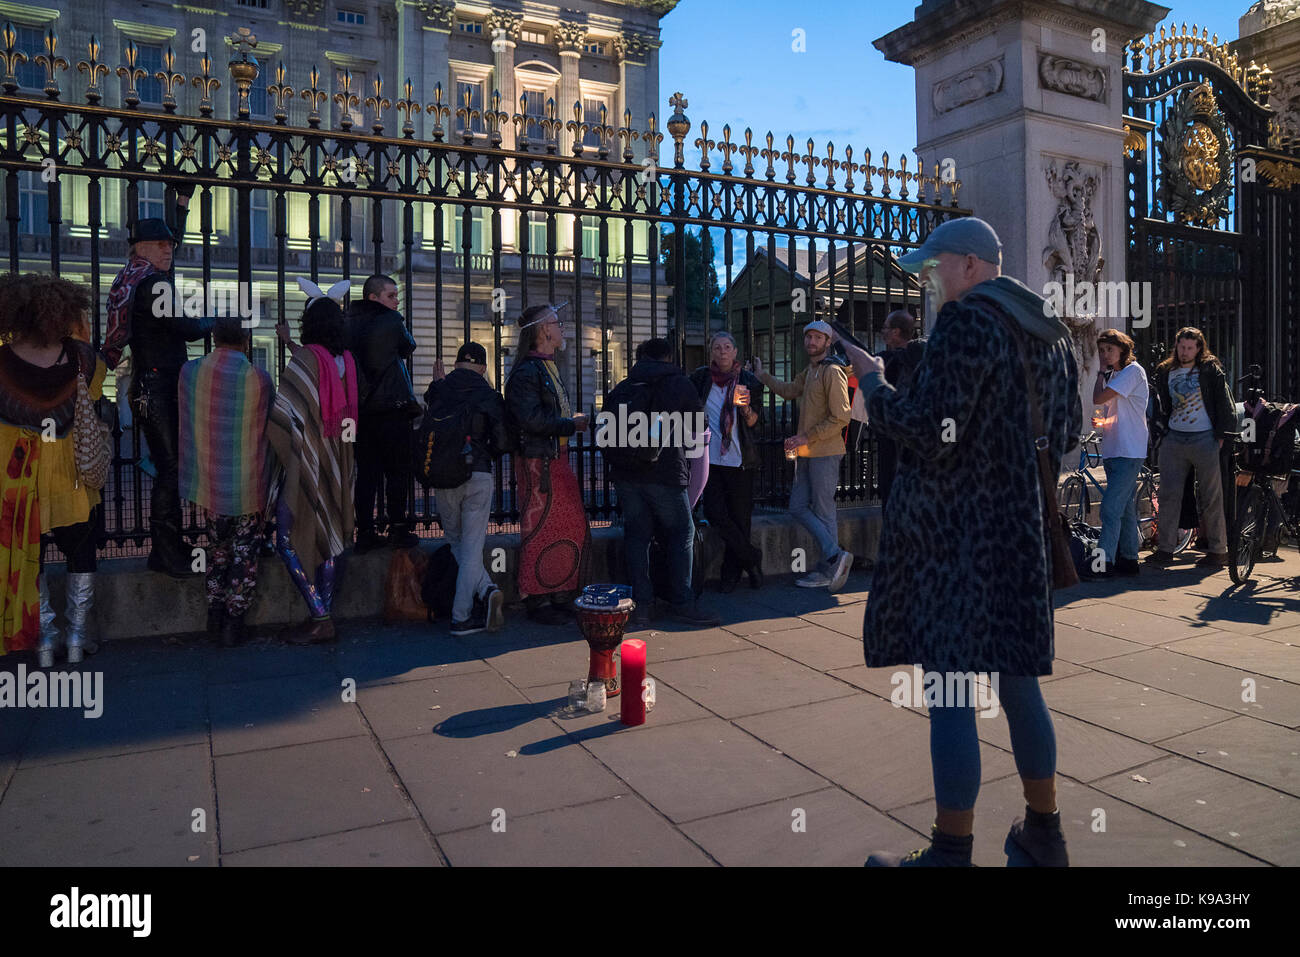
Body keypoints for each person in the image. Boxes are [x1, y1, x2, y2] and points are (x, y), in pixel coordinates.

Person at [837, 217, 1081, 867]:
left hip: (959, 541)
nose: (932, 276)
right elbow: (1068, 431)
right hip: (1020, 534)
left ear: (971, 264)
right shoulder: (1049, 333)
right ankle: (1045, 830)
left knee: (949, 690)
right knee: (1019, 683)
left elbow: (928, 429)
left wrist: (873, 382)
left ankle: (951, 850)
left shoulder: (970, 321)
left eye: (938, 264)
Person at [103, 185, 213, 578]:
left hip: (149, 386)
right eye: (160, 244)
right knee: (170, 468)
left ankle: (169, 545)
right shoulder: (154, 284)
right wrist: (216, 321)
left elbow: (174, 251)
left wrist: (181, 207)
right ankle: (165, 552)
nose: (168, 249)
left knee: (170, 466)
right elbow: (184, 328)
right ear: (141, 248)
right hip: (157, 387)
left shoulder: (136, 277)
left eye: (170, 243)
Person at [0, 274, 105, 665]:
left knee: (32, 557)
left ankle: (43, 639)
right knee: (82, 552)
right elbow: (94, 394)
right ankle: (77, 637)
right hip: (71, 476)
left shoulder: (2, 359)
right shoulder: (82, 358)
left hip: (18, 478)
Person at [268, 287, 359, 644]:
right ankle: (325, 614)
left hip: (308, 458)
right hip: (339, 458)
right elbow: (322, 382)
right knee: (330, 536)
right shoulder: (346, 361)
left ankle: (319, 615)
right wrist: (291, 345)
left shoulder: (307, 357)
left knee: (285, 538)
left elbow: (285, 412)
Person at [608, 338, 720, 627]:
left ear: (640, 357)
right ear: (668, 357)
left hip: (626, 474)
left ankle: (642, 604)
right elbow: (698, 428)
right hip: (665, 474)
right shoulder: (679, 384)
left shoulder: (623, 387)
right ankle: (682, 600)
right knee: (682, 532)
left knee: (637, 536)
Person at [178, 314, 274, 647]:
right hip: (247, 483)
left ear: (215, 337)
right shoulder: (259, 379)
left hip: (209, 483)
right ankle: (234, 621)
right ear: (245, 340)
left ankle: (213, 614)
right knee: (244, 553)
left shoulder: (190, 372)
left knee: (216, 550)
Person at [503, 303, 592, 627]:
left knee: (568, 526)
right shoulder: (528, 372)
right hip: (539, 461)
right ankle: (538, 598)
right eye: (557, 323)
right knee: (540, 529)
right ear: (543, 331)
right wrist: (571, 425)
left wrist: (568, 423)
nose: (562, 328)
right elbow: (531, 420)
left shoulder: (545, 367)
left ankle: (558, 592)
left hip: (553, 458)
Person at [749, 320, 854, 593]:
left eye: (818, 338)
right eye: (808, 337)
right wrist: (762, 376)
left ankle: (829, 569)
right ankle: (834, 555)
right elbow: (787, 390)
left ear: (827, 342)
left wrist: (806, 437)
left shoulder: (832, 371)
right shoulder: (811, 371)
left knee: (823, 510)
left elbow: (841, 416)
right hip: (807, 451)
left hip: (825, 452)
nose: (811, 342)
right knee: (797, 506)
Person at [422, 341, 511, 636]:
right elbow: (501, 442)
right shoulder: (489, 395)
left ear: (457, 363)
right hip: (478, 472)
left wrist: (438, 383)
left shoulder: (440, 389)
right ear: (483, 368)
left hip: (444, 476)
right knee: (472, 546)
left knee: (457, 541)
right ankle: (461, 617)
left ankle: (486, 591)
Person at [1148, 326, 1236, 568]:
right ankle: (1165, 549)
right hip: (1174, 438)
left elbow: (1225, 402)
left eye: (1190, 347)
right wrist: (1162, 434)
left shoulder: (1210, 370)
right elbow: (1161, 404)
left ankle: (1219, 550)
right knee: (1168, 495)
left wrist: (1221, 436)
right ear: (1176, 346)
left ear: (1199, 348)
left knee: (1211, 497)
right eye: (1182, 347)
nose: (1185, 351)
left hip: (1204, 438)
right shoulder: (1166, 371)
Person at [347, 274, 419, 552]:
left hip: (362, 413)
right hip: (392, 409)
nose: (396, 300)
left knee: (367, 474)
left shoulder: (347, 323)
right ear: (373, 297)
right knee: (398, 472)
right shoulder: (391, 320)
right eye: (391, 295)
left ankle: (364, 531)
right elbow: (408, 346)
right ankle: (398, 528)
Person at [690, 331, 765, 592]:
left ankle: (731, 573)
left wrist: (744, 407)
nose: (722, 352)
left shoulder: (749, 381)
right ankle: (752, 558)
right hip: (710, 458)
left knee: (740, 518)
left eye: (726, 347)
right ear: (711, 352)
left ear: (735, 352)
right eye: (717, 348)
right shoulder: (701, 378)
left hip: (739, 459)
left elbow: (757, 423)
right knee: (714, 512)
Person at [1092, 329, 1149, 577]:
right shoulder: (1115, 374)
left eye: (1109, 350)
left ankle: (1103, 563)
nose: (1105, 355)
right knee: (1124, 507)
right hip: (1114, 448)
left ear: (1122, 349)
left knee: (1110, 509)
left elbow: (1099, 397)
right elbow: (1106, 405)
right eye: (1102, 350)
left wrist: (1100, 373)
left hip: (1129, 449)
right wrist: (1103, 423)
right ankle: (1129, 559)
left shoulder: (1131, 372)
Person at [875, 310, 927, 504]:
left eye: (886, 328)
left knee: (890, 490)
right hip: (915, 436)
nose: (883, 332)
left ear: (896, 332)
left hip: (892, 435)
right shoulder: (923, 357)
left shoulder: (887, 361)